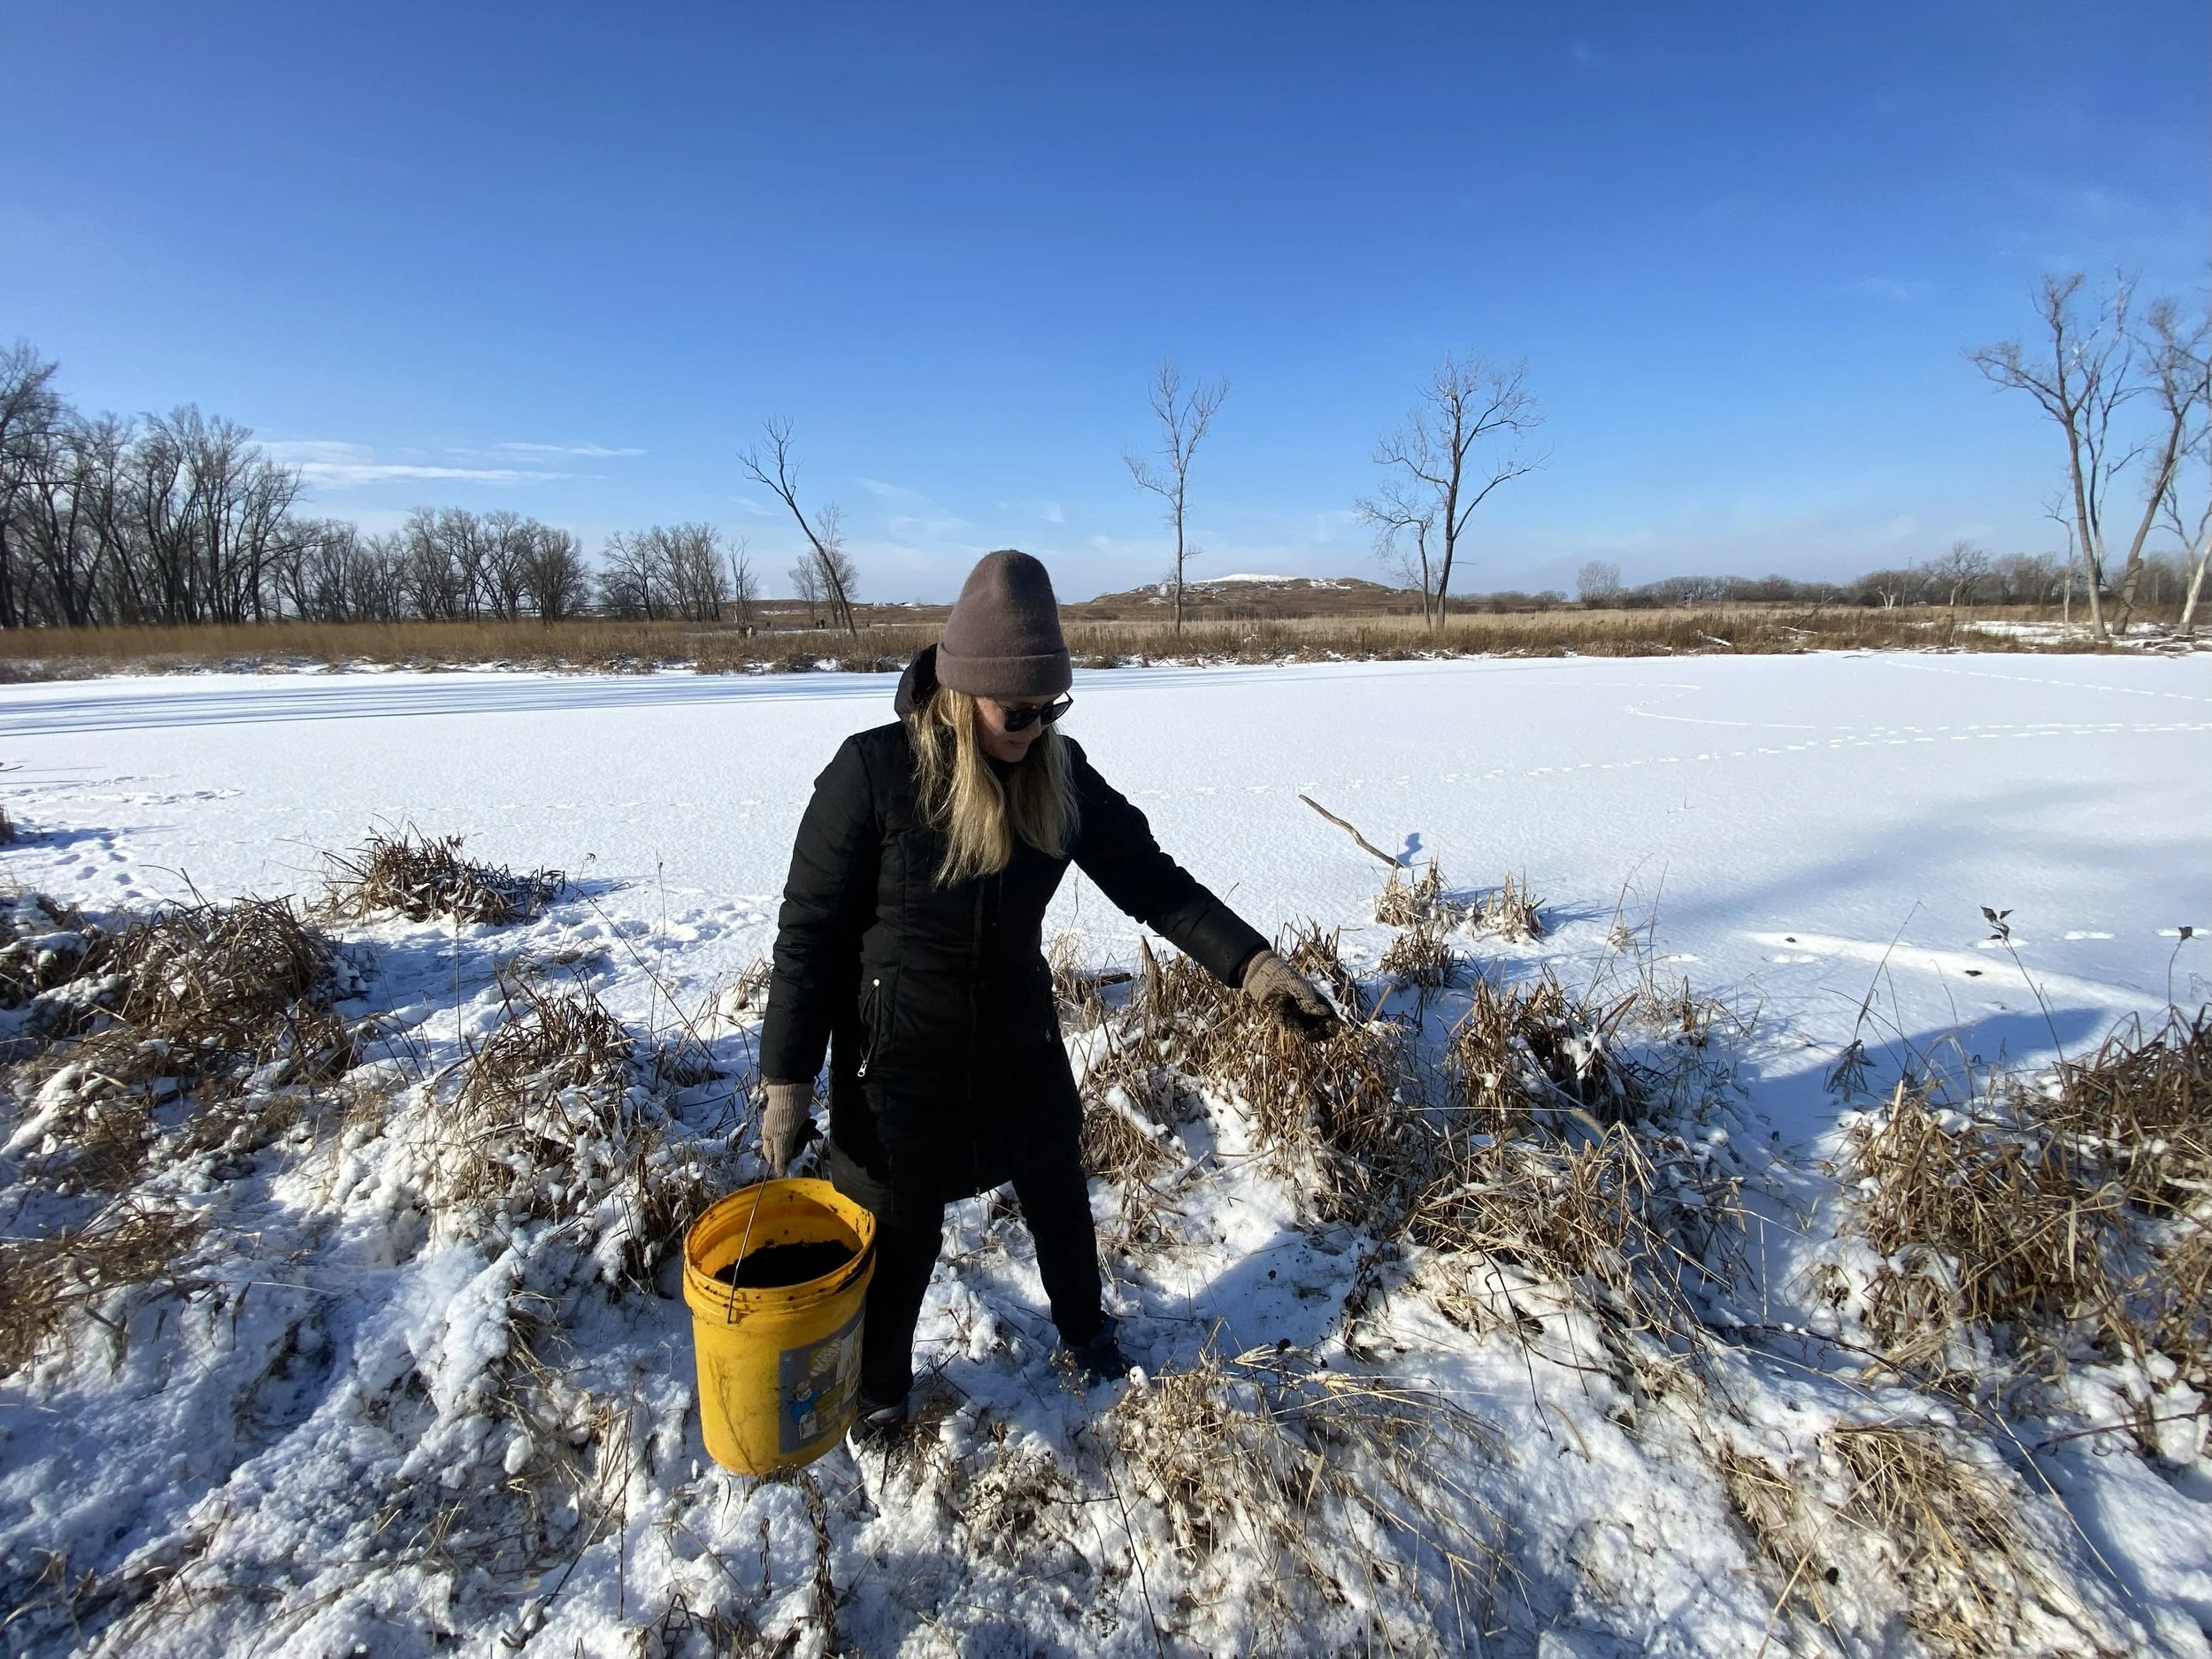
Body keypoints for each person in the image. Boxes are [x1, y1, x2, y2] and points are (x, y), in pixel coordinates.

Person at [757, 549, 1339, 1441]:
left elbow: (1156, 883)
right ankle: (878, 1398)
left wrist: (1253, 967)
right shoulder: (873, 775)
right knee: (901, 1249)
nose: (1034, 728)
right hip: (895, 1069)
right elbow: (809, 939)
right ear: (962, 693)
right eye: (1016, 711)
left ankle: (1087, 1337)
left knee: (1061, 1201)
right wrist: (788, 1079)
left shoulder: (1058, 776)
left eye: (1051, 708)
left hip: (1017, 1048)